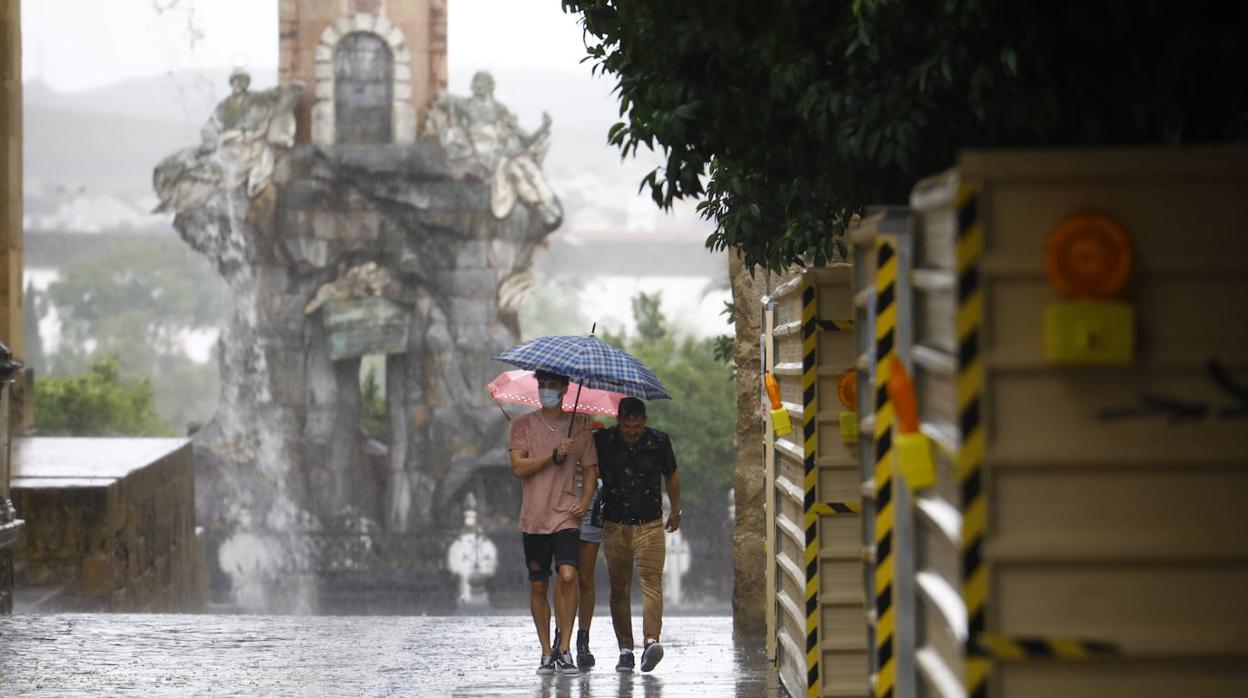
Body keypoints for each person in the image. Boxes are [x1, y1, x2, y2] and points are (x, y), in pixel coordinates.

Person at [509, 370, 598, 675]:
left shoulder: (581, 427)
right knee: (538, 585)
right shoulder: (523, 425)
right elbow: (519, 467)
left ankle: (565, 648)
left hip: (566, 516)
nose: (546, 390)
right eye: (542, 385)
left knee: (569, 575)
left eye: (552, 386)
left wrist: (585, 502)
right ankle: (546, 650)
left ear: (564, 389)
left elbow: (590, 470)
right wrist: (552, 454)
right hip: (534, 518)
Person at [593, 397, 682, 673]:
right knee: (619, 588)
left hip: (650, 522)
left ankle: (651, 641)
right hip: (615, 524)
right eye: (626, 425)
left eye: (636, 425)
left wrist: (676, 510)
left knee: (651, 582)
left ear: (644, 421)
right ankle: (625, 649)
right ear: (618, 420)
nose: (631, 431)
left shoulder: (658, 441)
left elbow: (672, 475)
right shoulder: (603, 441)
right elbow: (585, 467)